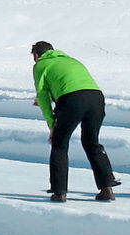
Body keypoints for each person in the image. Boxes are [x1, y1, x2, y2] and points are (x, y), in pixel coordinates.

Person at [32, 41, 117, 202]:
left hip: (71, 100)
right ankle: (107, 188)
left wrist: (52, 124)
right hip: (96, 98)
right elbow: (72, 83)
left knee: (60, 144)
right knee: (91, 142)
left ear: (36, 55)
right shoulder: (72, 60)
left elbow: (42, 96)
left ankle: (59, 192)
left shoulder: (41, 65)